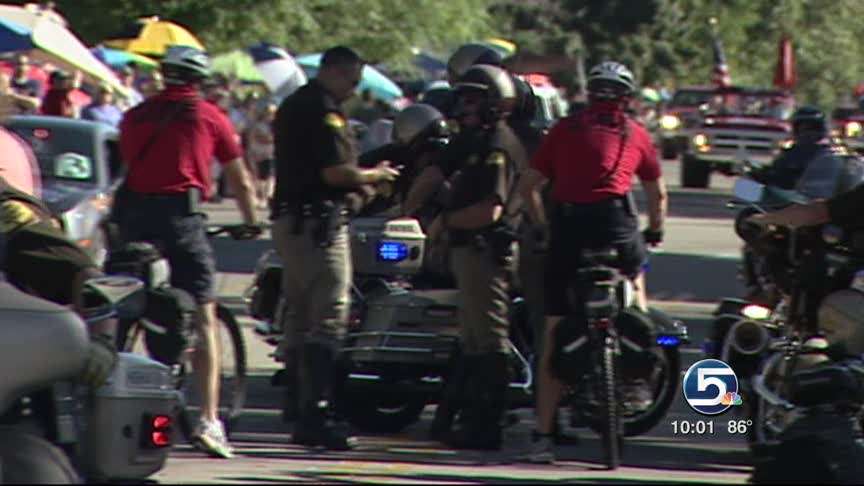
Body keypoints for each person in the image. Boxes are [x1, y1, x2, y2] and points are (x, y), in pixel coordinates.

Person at [516, 61, 668, 462]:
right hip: (616, 228)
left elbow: (529, 186)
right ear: (626, 97)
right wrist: (655, 231)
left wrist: (542, 225)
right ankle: (637, 347)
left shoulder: (564, 130)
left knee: (553, 331)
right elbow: (657, 194)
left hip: (568, 230)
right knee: (636, 278)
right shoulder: (636, 133)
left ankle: (543, 436)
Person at [116, 45, 260, 459]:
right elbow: (242, 178)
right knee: (203, 312)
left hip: (134, 217)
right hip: (181, 218)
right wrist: (251, 221)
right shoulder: (209, 116)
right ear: (199, 79)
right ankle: (209, 419)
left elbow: (131, 164)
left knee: (125, 300)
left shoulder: (135, 116)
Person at [269, 45, 399, 450]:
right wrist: (376, 175)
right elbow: (335, 172)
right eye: (353, 80)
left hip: (293, 220)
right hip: (317, 224)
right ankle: (317, 412)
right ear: (335, 72)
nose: (354, 89)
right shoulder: (324, 111)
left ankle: (298, 401)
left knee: (300, 313)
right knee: (329, 315)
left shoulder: (295, 103)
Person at [425, 64, 525, 450]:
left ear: (495, 102)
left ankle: (487, 426)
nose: (465, 108)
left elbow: (490, 211)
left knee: (489, 341)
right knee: (472, 338)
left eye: (473, 99)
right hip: (469, 252)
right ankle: (464, 418)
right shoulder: (477, 142)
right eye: (463, 99)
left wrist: (445, 222)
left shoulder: (498, 146)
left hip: (486, 251)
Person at [750, 106, 838, 190]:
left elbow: (784, 180)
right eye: (803, 129)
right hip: (780, 197)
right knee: (741, 188)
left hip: (794, 200)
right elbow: (774, 174)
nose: (808, 133)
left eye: (813, 128)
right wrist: (757, 174)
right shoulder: (792, 153)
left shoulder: (826, 156)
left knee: (741, 190)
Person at [246, 102, 277, 209]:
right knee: (260, 179)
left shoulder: (274, 126)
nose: (271, 116)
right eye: (269, 113)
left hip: (270, 154)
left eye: (273, 114)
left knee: (270, 177)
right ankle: (261, 198)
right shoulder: (259, 126)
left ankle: (268, 197)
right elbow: (262, 138)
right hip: (259, 154)